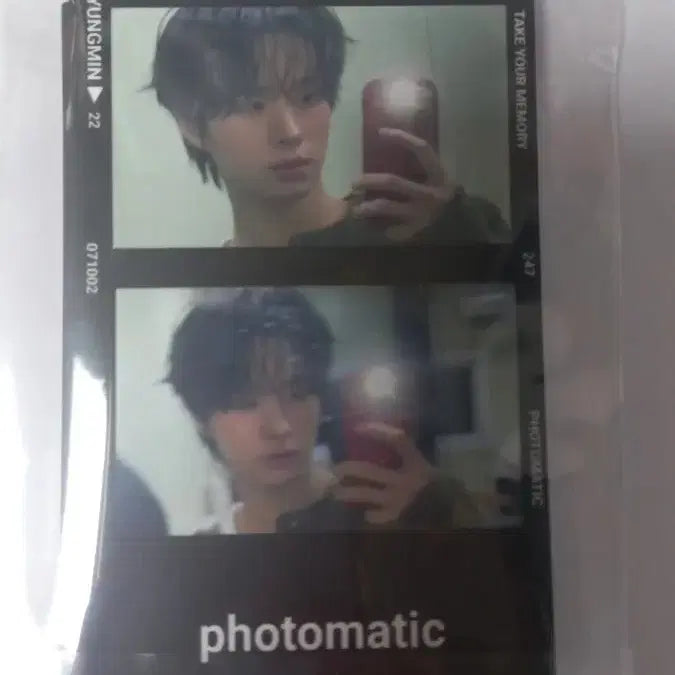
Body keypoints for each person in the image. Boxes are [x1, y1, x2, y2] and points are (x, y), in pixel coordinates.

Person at [148, 7, 510, 247]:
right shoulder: (212, 296)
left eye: (308, 97)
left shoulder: (425, 228)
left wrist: (462, 232)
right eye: (251, 105)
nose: (290, 132)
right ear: (190, 125)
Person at [163, 288, 481, 534]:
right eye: (245, 401)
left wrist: (448, 517)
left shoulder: (391, 513)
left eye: (298, 392)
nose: (280, 426)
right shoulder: (196, 557)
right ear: (201, 418)